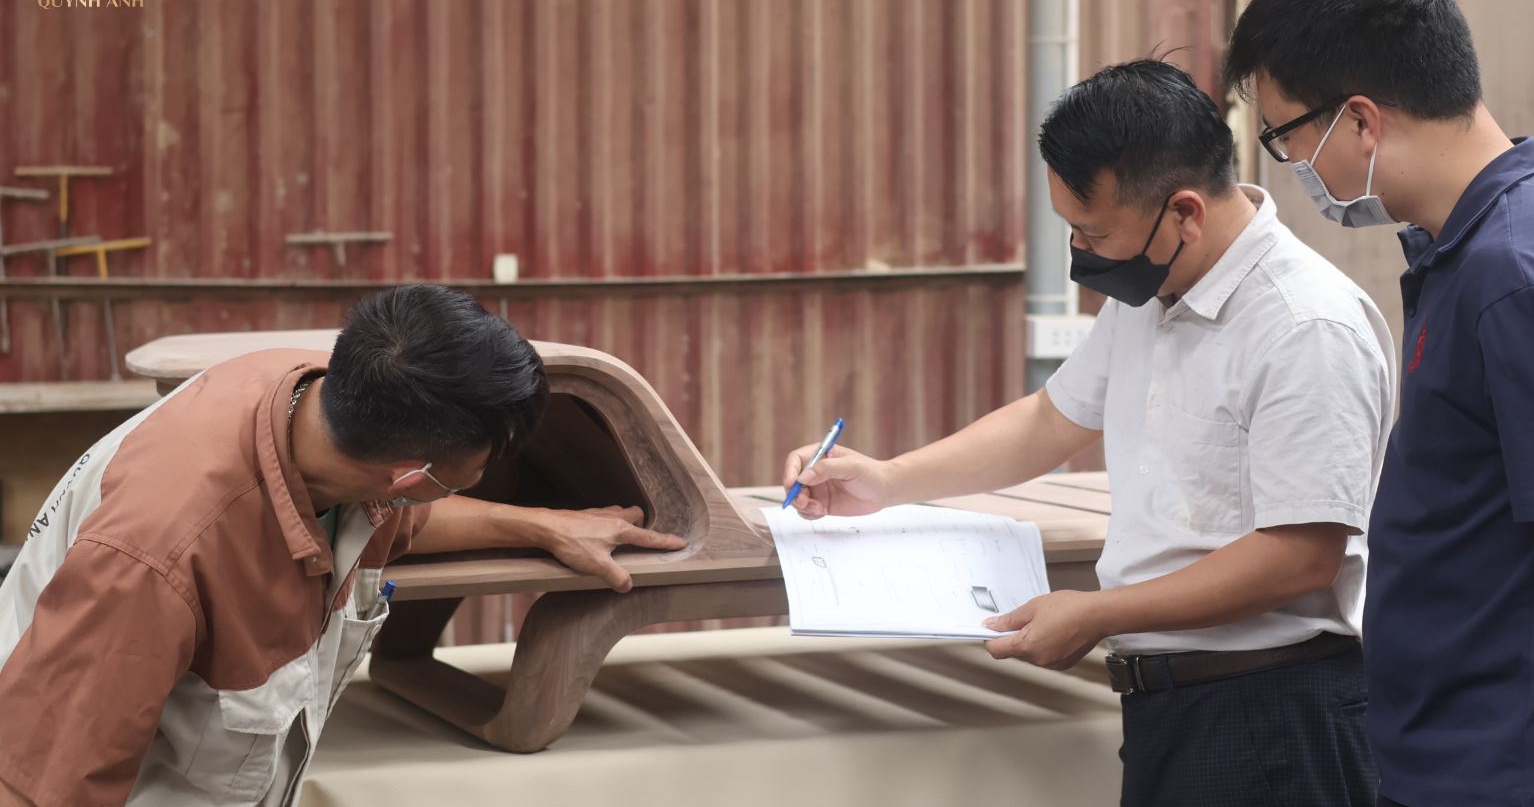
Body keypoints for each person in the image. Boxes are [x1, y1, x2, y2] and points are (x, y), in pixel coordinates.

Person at [782, 59, 1394, 806]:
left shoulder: (1306, 326)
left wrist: (1096, 613)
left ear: (1185, 213)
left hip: (1272, 716)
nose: (1081, 252)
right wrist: (886, 480)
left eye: (1094, 232)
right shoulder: (1157, 289)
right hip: (1171, 707)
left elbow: (1300, 556)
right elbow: (1052, 418)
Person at [0, 283, 685, 807]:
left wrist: (544, 526)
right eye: (474, 471)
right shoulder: (157, 561)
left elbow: (398, 519)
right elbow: (40, 785)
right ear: (411, 477)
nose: (473, 482)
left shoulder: (320, 404)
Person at [1224, 0, 1534, 807]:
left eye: (1285, 137)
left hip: (1511, 772)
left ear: (1360, 120)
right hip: (1448, 757)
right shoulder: (1467, 251)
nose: (1293, 167)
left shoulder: (1518, 274)